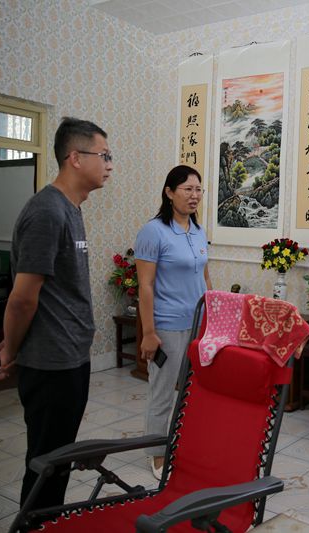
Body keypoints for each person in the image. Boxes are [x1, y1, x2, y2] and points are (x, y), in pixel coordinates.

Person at [0, 117, 112, 509]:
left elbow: (56, 293)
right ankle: (34, 524)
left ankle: (46, 521)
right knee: (46, 462)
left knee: (57, 460)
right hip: (52, 364)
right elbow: (23, 298)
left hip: (69, 356)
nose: (110, 165)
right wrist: (12, 348)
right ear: (75, 157)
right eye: (104, 155)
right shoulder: (47, 212)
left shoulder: (71, 208)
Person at [135, 165, 211, 479]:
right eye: (187, 189)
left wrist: (212, 316)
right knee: (163, 393)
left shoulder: (198, 230)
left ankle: (183, 443)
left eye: (198, 190)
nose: (194, 196)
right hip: (167, 326)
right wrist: (148, 332)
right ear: (169, 192)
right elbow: (145, 286)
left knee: (192, 391)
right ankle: (156, 453)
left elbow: (204, 276)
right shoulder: (153, 231)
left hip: (198, 324)